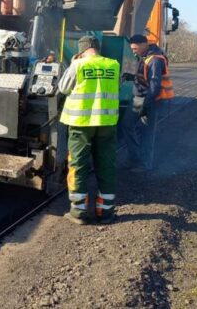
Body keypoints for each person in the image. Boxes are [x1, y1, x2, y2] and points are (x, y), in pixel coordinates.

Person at [58, 35, 121, 225]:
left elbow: (63, 88)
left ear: (82, 49)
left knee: (78, 165)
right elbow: (114, 87)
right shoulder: (113, 65)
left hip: (81, 123)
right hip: (107, 123)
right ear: (97, 48)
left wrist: (73, 64)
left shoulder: (78, 65)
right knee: (106, 165)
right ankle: (105, 212)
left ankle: (78, 212)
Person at [122, 34, 175, 171]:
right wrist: (130, 77)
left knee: (147, 133)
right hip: (139, 98)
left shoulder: (155, 60)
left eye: (134, 48)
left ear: (143, 44)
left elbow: (154, 86)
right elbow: (145, 78)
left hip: (150, 100)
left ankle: (145, 164)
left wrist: (146, 104)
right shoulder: (146, 57)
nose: (133, 51)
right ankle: (135, 157)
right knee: (127, 125)